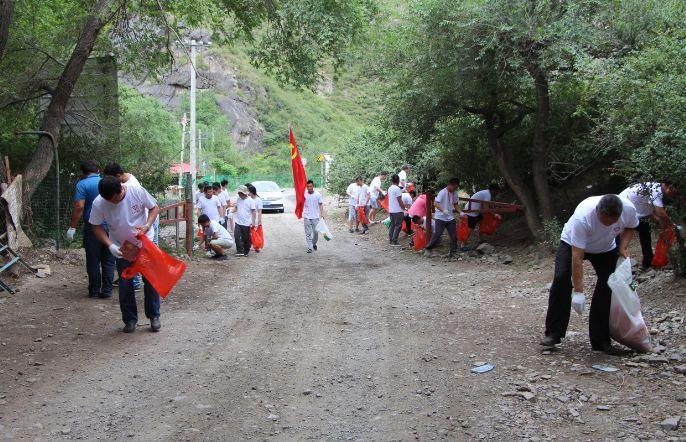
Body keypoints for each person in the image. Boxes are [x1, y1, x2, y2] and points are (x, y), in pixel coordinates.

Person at [541, 194, 639, 354]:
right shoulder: (583, 217)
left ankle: (600, 341)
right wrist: (579, 292)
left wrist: (622, 246)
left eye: (612, 222)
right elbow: (577, 258)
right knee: (561, 278)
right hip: (572, 243)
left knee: (608, 284)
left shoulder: (628, 209)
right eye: (604, 220)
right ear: (597, 211)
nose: (608, 224)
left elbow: (630, 227)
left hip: (605, 248)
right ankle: (553, 333)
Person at [89, 176, 162, 333]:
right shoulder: (99, 202)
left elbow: (154, 207)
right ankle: (129, 319)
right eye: (109, 201)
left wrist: (147, 225)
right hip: (122, 247)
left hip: (144, 242)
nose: (113, 203)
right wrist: (109, 245)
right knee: (125, 283)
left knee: (150, 280)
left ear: (121, 188)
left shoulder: (137, 192)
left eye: (116, 199)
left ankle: (154, 316)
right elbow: (95, 226)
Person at [67, 161, 114, 299]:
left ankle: (94, 290)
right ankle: (107, 291)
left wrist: (72, 227)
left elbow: (79, 207)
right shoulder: (106, 182)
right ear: (98, 170)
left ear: (83, 173)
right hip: (111, 225)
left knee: (93, 259)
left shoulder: (82, 184)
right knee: (108, 259)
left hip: (93, 226)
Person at [619, 181, 677, 269]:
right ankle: (620, 257)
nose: (673, 196)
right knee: (631, 232)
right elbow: (660, 213)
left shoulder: (653, 188)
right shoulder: (655, 191)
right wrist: (672, 226)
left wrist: (660, 223)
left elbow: (646, 210)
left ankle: (648, 260)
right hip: (623, 207)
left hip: (632, 207)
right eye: (674, 193)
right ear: (670, 187)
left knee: (645, 230)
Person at [424, 178, 461, 258]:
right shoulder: (443, 192)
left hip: (450, 217)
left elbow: (455, 204)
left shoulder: (455, 193)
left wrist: (461, 212)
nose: (455, 189)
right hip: (440, 217)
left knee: (454, 235)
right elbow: (435, 203)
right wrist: (443, 210)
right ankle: (428, 249)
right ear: (451, 185)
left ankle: (453, 252)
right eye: (455, 187)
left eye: (456, 187)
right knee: (438, 234)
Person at [462, 183, 501, 251]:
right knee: (470, 228)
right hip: (471, 211)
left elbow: (486, 206)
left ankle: (480, 239)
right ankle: (463, 245)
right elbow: (486, 208)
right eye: (497, 191)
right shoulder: (488, 195)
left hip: (475, 210)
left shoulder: (486, 192)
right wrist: (494, 214)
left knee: (481, 221)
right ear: (493, 190)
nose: (497, 193)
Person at [232, 185, 256, 257]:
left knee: (246, 237)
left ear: (244, 193)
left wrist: (253, 222)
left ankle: (246, 250)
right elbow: (236, 207)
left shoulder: (250, 201)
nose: (239, 194)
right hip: (238, 221)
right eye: (238, 193)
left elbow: (253, 212)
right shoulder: (238, 199)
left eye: (240, 193)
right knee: (236, 235)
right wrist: (231, 211)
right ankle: (240, 250)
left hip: (246, 223)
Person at [303, 179, 325, 253]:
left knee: (316, 232)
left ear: (313, 186)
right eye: (308, 186)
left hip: (315, 216)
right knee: (308, 233)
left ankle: (314, 243)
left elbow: (320, 204)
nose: (309, 188)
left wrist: (322, 213)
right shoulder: (304, 194)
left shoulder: (318, 195)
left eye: (310, 186)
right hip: (306, 216)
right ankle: (309, 247)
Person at [387, 174, 406, 247]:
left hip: (391, 210)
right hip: (398, 210)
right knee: (398, 225)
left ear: (392, 181)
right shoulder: (397, 189)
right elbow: (399, 200)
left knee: (392, 225)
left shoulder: (390, 188)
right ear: (398, 181)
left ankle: (391, 239)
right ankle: (394, 241)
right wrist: (404, 208)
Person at [246, 183, 263, 252]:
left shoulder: (258, 200)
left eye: (248, 192)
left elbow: (259, 211)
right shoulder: (248, 199)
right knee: (248, 233)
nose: (247, 193)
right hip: (248, 218)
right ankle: (251, 245)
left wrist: (259, 221)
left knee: (255, 233)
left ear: (252, 192)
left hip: (255, 219)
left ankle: (257, 246)